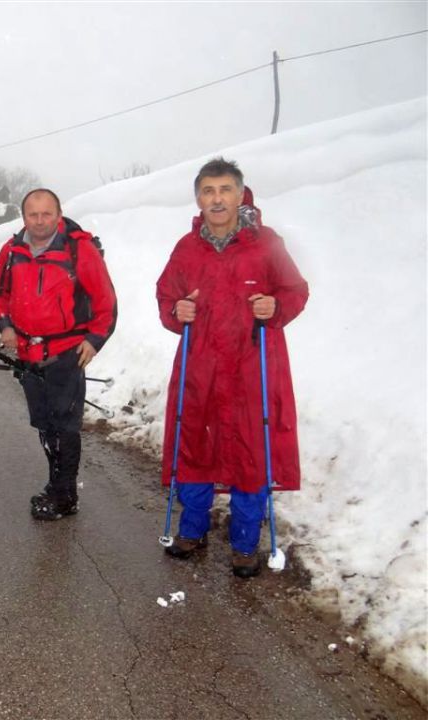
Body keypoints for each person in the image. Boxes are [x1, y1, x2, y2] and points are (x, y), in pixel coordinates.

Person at [156, 157, 308, 578]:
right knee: (195, 444)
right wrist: (176, 310)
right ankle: (192, 529)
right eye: (208, 191)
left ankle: (244, 543)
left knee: (251, 449)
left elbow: (295, 290)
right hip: (200, 365)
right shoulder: (187, 248)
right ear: (198, 199)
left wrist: (275, 304)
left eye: (224, 190)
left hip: (252, 365)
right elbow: (166, 296)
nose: (217, 199)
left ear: (240, 195)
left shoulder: (266, 244)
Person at [0, 189, 117, 520]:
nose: (40, 221)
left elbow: (106, 302)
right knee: (45, 423)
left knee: (65, 426)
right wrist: (5, 326)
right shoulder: (12, 250)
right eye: (33, 214)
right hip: (30, 354)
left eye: (47, 214)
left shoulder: (79, 249)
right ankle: (57, 484)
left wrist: (94, 340)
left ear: (58, 215)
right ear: (24, 217)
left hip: (67, 352)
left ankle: (64, 495)